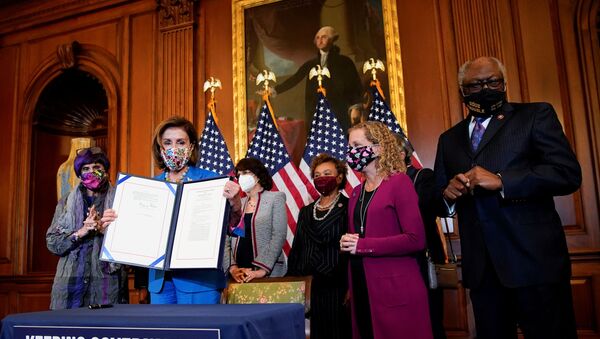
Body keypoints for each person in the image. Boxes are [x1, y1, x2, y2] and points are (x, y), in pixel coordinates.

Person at [433, 56, 581, 339]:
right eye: (475, 84)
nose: (485, 88)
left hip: (534, 263)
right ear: (462, 90)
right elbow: (441, 195)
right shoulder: (448, 139)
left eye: (492, 81)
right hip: (482, 270)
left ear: (504, 83)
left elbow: (567, 174)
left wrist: (502, 181)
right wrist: (447, 193)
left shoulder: (535, 115)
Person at [340, 121, 432, 339]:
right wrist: (349, 241)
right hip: (363, 286)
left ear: (378, 148)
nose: (351, 152)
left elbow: (415, 239)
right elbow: (360, 234)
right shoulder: (355, 192)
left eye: (357, 145)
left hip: (396, 288)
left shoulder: (399, 183)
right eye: (349, 147)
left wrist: (363, 245)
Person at [149, 116, 242, 304]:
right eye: (167, 142)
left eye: (180, 142)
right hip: (160, 281)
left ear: (191, 147)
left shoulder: (212, 181)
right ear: (161, 149)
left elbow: (233, 228)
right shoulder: (150, 186)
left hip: (199, 280)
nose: (174, 147)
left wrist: (236, 204)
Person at [46, 147, 127, 309]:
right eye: (86, 168)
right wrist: (81, 232)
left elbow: (131, 244)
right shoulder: (66, 202)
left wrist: (105, 231)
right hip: (70, 284)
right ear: (79, 173)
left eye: (97, 167)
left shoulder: (121, 198)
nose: (92, 172)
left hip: (107, 284)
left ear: (105, 170)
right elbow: (52, 243)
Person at [287, 153, 351, 339]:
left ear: (339, 177)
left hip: (335, 285)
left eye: (327, 173)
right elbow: (297, 248)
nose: (321, 178)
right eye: (316, 175)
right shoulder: (306, 211)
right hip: (308, 284)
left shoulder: (348, 207)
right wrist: (294, 281)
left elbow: (352, 250)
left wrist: (351, 287)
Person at [398, 139, 447, 339]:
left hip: (421, 258)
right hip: (395, 261)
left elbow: (423, 213)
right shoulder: (378, 183)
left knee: (429, 319)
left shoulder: (422, 176)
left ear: (401, 154)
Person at [275, 26, 363, 132]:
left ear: (332, 39)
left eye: (324, 37)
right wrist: (275, 90)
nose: (320, 40)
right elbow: (295, 79)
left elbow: (355, 85)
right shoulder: (311, 64)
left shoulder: (345, 62)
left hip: (339, 109)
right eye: (318, 38)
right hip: (316, 111)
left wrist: (355, 106)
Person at [223, 157, 287, 282]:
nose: (241, 177)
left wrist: (261, 271)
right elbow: (227, 238)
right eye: (239, 174)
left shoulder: (276, 198)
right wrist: (233, 268)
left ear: (258, 175)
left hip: (267, 272)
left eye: (245, 173)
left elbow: (279, 235)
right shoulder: (237, 204)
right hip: (239, 274)